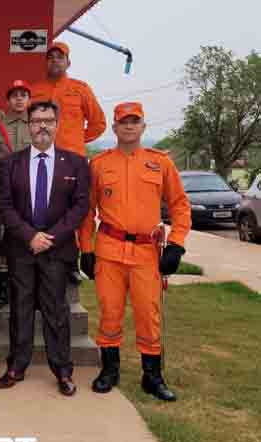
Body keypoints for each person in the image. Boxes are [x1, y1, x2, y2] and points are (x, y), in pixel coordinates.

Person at [78, 102, 191, 402]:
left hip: (146, 253)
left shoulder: (160, 163)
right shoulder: (99, 164)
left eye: (134, 121)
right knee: (110, 312)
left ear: (143, 126)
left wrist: (177, 244)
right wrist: (86, 249)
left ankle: (152, 376)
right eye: (123, 122)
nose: (129, 126)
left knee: (148, 314)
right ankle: (109, 370)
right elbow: (88, 212)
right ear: (114, 128)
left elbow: (180, 205)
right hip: (109, 250)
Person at [0, 101, 90, 397]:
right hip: (22, 248)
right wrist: (29, 236)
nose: (42, 126)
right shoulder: (11, 163)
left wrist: (50, 236)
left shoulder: (75, 164)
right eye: (37, 121)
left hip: (56, 249)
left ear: (57, 124)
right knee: (20, 310)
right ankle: (16, 367)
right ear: (28, 125)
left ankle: (62, 370)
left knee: (56, 311)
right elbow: (5, 206)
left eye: (48, 120)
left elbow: (80, 206)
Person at [0, 80, 33, 310]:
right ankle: (1, 290)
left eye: (23, 94)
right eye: (14, 95)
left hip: (29, 195)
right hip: (3, 195)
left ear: (29, 99)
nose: (19, 99)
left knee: (27, 240)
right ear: (8, 101)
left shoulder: (36, 127)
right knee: (1, 241)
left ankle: (24, 291)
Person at [31, 42, 106, 158]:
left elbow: (98, 123)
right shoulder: (33, 91)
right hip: (40, 156)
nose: (55, 60)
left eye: (60, 57)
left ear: (68, 63)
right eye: (50, 57)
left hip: (73, 157)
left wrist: (76, 140)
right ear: (46, 63)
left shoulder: (81, 89)